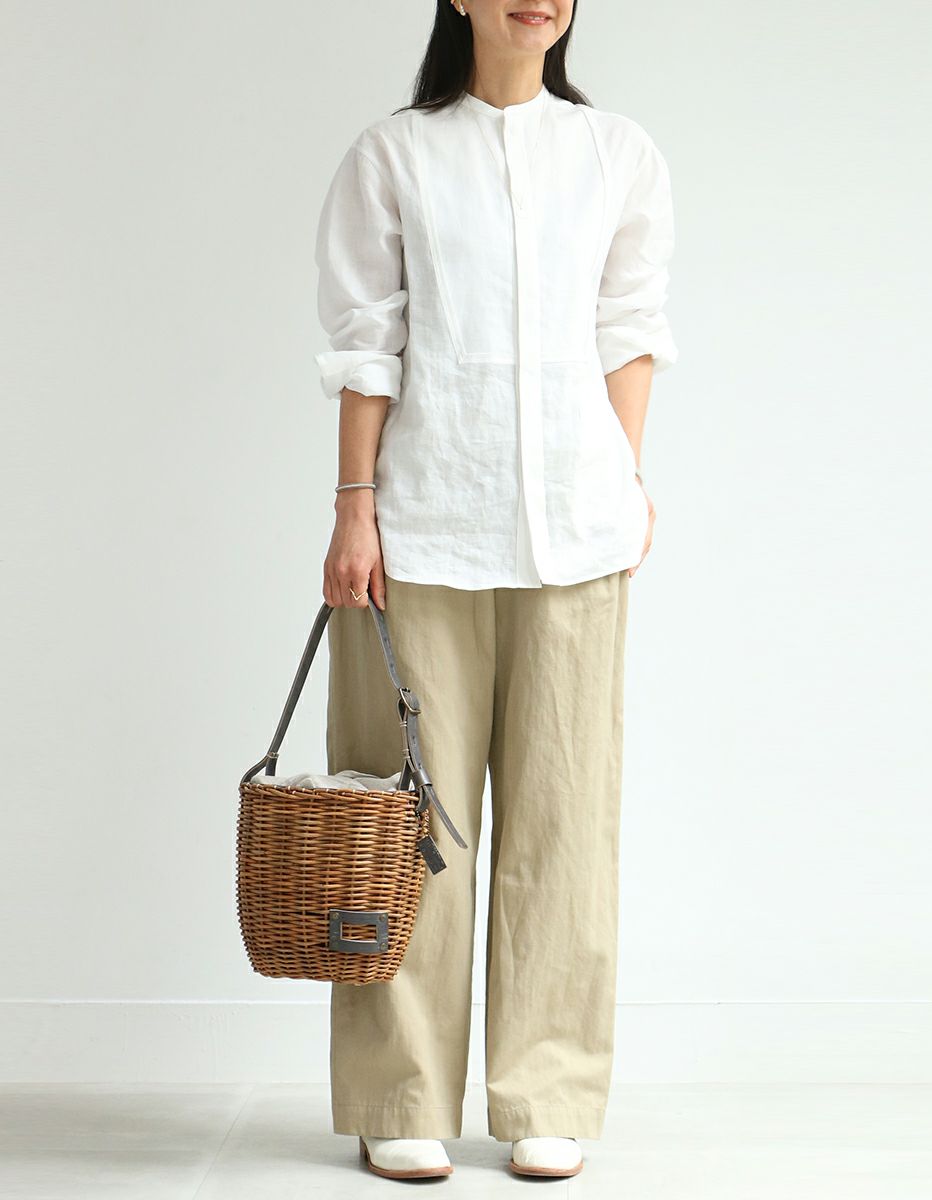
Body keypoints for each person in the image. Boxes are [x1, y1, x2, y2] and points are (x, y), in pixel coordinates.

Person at [313, 0, 677, 1181]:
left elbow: (629, 328)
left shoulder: (616, 155)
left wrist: (624, 477)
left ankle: (547, 1093)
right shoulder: (395, 155)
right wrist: (354, 507)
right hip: (421, 534)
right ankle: (399, 1094)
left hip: (576, 536)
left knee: (565, 825)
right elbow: (366, 341)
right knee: (404, 827)